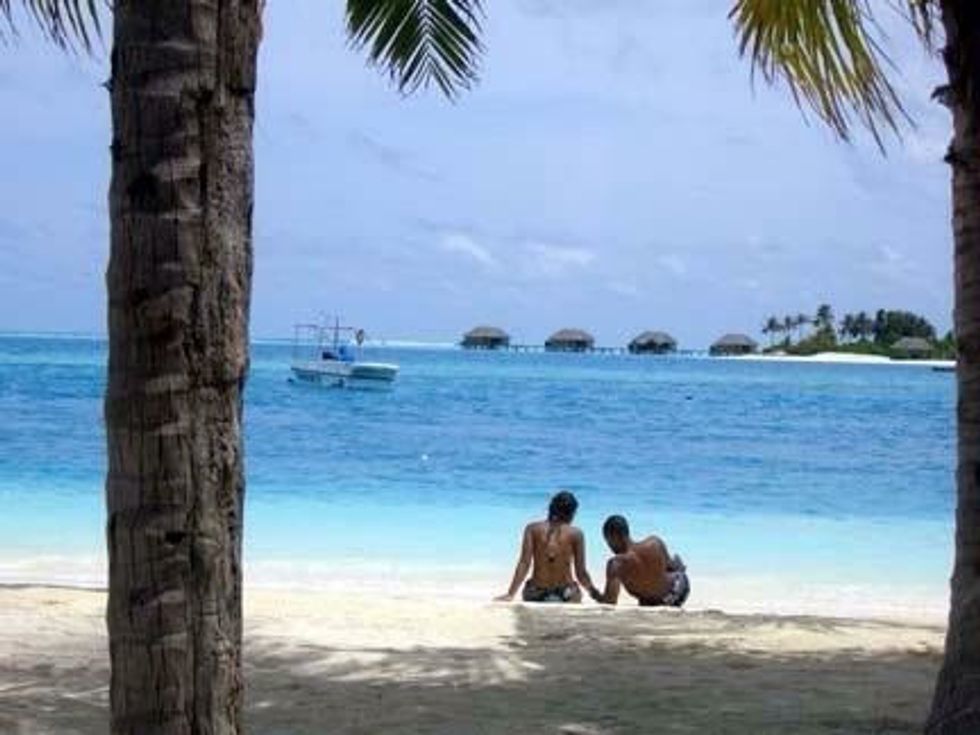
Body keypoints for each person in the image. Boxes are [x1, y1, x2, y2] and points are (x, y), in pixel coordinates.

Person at [495, 491, 597, 603]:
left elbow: (524, 563)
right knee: (574, 594)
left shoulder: (532, 529)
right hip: (565, 594)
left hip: (536, 593)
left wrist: (510, 594)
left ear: (551, 508)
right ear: (572, 513)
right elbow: (581, 573)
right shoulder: (576, 534)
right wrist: (595, 594)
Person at [591, 514, 690, 607]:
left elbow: (610, 602)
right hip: (680, 589)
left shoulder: (616, 564)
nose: (609, 546)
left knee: (646, 596)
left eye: (608, 541)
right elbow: (671, 567)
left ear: (614, 537)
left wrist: (597, 596)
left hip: (659, 603)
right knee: (670, 567)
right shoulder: (654, 542)